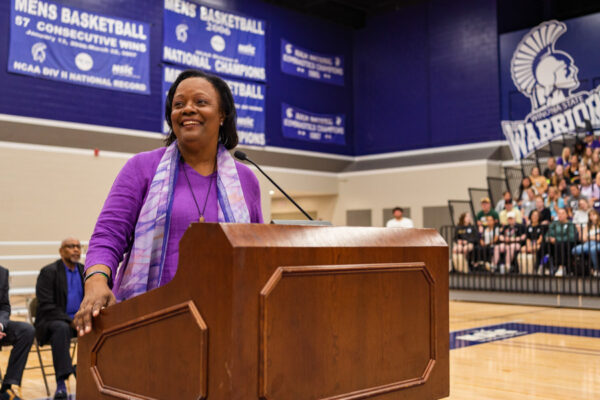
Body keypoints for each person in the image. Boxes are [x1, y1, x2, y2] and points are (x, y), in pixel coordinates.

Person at [75, 69, 263, 337]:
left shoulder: (246, 180)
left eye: (200, 102)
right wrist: (96, 280)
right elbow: (108, 235)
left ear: (222, 115)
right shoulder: (142, 167)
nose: (187, 109)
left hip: (225, 323)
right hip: (150, 319)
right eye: (179, 104)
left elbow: (257, 252)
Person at [35, 238, 84, 400]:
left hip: (80, 321)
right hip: (53, 321)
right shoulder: (49, 272)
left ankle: (86, 372)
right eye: (71, 247)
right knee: (61, 328)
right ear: (61, 251)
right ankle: (61, 383)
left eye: (78, 246)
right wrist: (70, 320)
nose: (76, 249)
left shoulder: (85, 271)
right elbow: (46, 305)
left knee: (104, 325)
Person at [0, 266, 35, 400]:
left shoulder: (2, 272)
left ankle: (7, 386)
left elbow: (4, 307)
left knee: (26, 330)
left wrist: (1, 325)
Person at [546, 208, 577, 277]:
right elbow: (548, 234)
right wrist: (549, 238)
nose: (560, 215)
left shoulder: (570, 224)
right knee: (545, 245)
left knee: (561, 244)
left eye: (562, 213)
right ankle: (544, 266)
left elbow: (572, 237)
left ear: (566, 215)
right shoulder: (554, 224)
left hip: (568, 243)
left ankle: (561, 267)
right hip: (555, 243)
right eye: (559, 213)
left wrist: (557, 239)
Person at [572, 209, 600, 276]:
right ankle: (584, 268)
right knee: (575, 250)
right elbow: (583, 238)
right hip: (588, 244)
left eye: (593, 215)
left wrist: (589, 237)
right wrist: (594, 236)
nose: (591, 217)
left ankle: (596, 269)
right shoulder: (587, 226)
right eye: (590, 215)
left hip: (597, 244)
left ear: (597, 215)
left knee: (593, 249)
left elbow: (599, 238)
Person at [520, 210, 548, 275]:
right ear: (531, 216)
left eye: (536, 216)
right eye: (533, 215)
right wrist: (529, 247)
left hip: (537, 244)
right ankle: (524, 271)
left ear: (539, 217)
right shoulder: (528, 227)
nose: (534, 217)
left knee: (538, 248)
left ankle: (538, 267)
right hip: (530, 244)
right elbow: (528, 239)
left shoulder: (541, 227)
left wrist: (533, 246)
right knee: (522, 249)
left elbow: (540, 239)